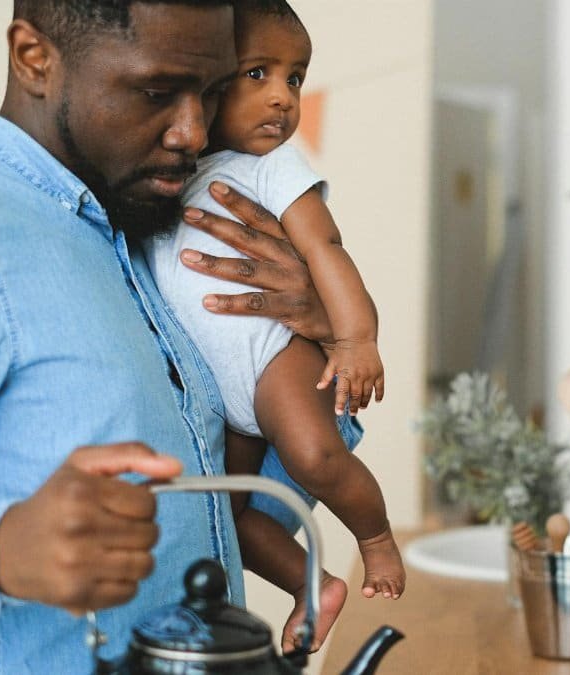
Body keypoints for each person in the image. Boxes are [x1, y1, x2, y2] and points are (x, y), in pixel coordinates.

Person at [0, 1, 343, 671]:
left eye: (211, 93)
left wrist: (318, 341)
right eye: (157, 92)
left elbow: (213, 525)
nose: (192, 130)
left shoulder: (151, 232)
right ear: (34, 58)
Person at [143, 0, 405, 649]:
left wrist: (355, 337)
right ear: (208, 82)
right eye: (258, 73)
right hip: (225, 395)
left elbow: (326, 249)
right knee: (229, 513)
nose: (283, 98)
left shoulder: (273, 167)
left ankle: (374, 538)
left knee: (315, 454)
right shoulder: (179, 174)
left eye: (295, 78)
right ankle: (308, 582)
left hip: (270, 358)